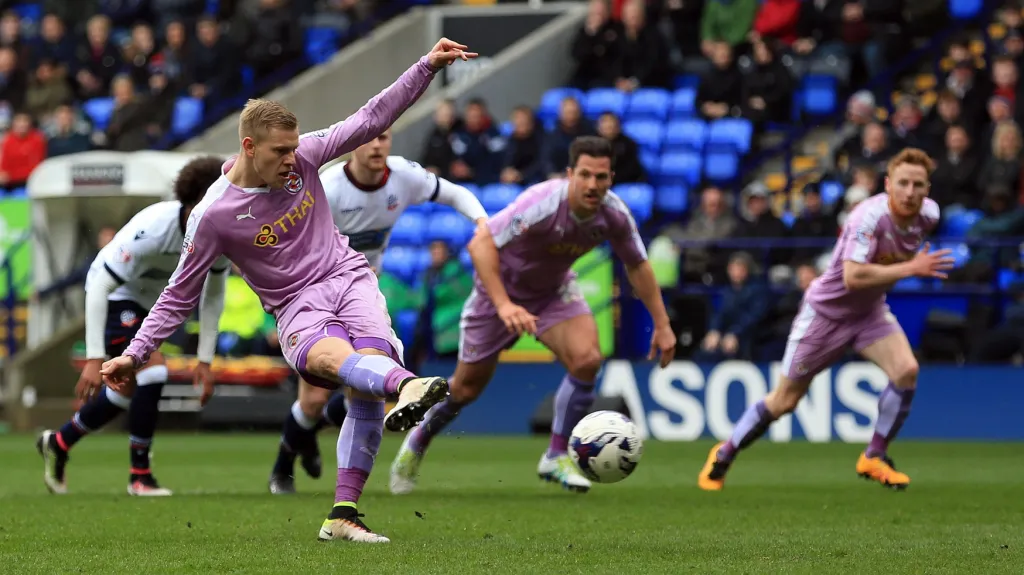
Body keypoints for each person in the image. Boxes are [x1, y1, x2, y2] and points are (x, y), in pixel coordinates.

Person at [95, 38, 477, 544]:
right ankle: (404, 385)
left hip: (349, 276)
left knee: (366, 378)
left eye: (295, 148)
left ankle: (343, 513)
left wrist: (426, 64)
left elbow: (368, 118)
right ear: (249, 147)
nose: (292, 160)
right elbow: (179, 294)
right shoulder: (214, 216)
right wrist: (136, 354)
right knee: (336, 362)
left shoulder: (305, 156)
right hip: (296, 305)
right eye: (280, 151)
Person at [389, 136, 677, 495]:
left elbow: (638, 265)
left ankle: (555, 456)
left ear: (611, 179)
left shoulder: (615, 215)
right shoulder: (541, 203)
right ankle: (417, 440)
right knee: (464, 390)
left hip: (553, 293)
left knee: (588, 360)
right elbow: (480, 245)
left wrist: (662, 325)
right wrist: (504, 305)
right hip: (498, 295)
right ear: (570, 174)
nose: (592, 185)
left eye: (601, 177)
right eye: (585, 175)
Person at [697, 148, 953, 492]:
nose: (910, 192)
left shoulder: (929, 214)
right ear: (888, 184)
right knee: (785, 401)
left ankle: (874, 455)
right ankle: (725, 454)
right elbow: (852, 277)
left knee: (906, 370)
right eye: (903, 183)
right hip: (825, 315)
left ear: (927, 189)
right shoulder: (867, 218)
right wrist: (911, 268)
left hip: (869, 312)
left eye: (918, 184)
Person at [267, 128, 488, 495]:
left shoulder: (403, 176)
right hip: (320, 293)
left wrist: (482, 222)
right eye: (368, 139)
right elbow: (297, 245)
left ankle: (325, 450)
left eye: (384, 138)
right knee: (313, 399)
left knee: (364, 388)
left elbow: (455, 192)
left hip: (365, 293)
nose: (376, 145)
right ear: (352, 145)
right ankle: (284, 465)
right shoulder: (329, 187)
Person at [36, 156, 229, 497]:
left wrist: (204, 360)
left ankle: (60, 442)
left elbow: (212, 296)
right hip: (115, 296)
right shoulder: (154, 228)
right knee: (153, 371)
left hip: (150, 306)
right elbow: (99, 286)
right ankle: (140, 476)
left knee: (124, 395)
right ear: (193, 199)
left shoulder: (219, 237)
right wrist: (95, 359)